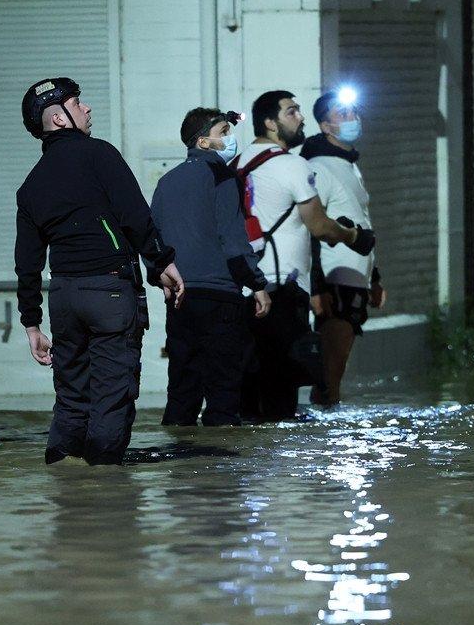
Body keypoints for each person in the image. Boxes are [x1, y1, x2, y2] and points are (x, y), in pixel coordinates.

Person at [15, 77, 184, 465]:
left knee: (72, 394)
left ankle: (64, 482)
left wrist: (31, 324)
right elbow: (135, 216)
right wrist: (162, 262)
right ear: (58, 118)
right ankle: (104, 491)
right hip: (109, 290)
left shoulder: (31, 184)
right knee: (113, 392)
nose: (87, 109)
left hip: (63, 297)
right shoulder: (99, 154)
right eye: (79, 103)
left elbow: (27, 261)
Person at [233, 90, 374, 421]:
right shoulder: (293, 165)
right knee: (281, 397)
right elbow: (320, 225)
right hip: (282, 290)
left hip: (244, 287)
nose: (301, 119)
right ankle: (285, 472)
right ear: (270, 123)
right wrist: (353, 236)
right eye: (292, 112)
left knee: (249, 390)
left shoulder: (236, 164)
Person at [150, 107, 271, 426]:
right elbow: (233, 238)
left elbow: (151, 240)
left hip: (179, 298)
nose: (231, 139)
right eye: (224, 133)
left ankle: (179, 465)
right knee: (223, 393)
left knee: (181, 389)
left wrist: (159, 276)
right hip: (220, 298)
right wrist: (256, 283)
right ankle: (219, 471)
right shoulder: (223, 176)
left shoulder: (166, 181)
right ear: (203, 142)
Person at [301, 88, 386, 406]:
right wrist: (317, 287)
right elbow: (311, 226)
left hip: (354, 276)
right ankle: (322, 438)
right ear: (325, 126)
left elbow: (359, 220)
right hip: (335, 278)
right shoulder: (320, 166)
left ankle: (325, 428)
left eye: (353, 112)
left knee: (335, 369)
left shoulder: (348, 164)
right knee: (329, 373)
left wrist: (373, 277)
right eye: (342, 114)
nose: (352, 119)